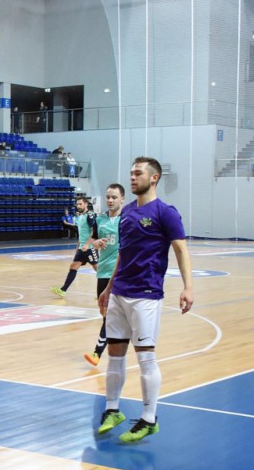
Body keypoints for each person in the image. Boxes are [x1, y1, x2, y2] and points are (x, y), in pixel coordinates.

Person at [96, 157, 194, 444]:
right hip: (119, 293)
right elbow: (123, 253)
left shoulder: (166, 213)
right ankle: (112, 410)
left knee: (146, 358)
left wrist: (188, 287)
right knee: (115, 355)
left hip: (146, 295)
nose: (132, 177)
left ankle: (149, 419)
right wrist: (108, 288)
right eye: (131, 172)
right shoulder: (126, 212)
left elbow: (181, 250)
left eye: (138, 173)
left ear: (154, 178)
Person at [83, 185, 125, 367]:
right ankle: (116, 346)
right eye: (108, 197)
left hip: (120, 273)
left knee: (110, 315)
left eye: (114, 197)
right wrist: (96, 243)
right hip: (103, 272)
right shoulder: (99, 219)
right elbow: (91, 240)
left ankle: (97, 353)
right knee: (106, 314)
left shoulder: (126, 220)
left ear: (122, 199)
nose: (110, 200)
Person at [52, 196, 98, 298]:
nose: (78, 206)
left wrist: (87, 244)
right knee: (73, 266)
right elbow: (81, 233)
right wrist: (78, 246)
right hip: (82, 248)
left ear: (86, 204)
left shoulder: (90, 215)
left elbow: (94, 231)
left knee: (99, 270)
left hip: (90, 248)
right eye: (77, 204)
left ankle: (108, 291)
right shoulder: (80, 216)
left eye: (80, 204)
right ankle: (63, 290)